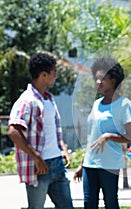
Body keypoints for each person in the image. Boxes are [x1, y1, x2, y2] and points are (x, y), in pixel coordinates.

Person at [7, 52, 74, 209]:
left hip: (57, 164)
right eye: (54, 73)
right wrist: (37, 157)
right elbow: (13, 131)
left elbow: (52, 130)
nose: (56, 76)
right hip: (39, 168)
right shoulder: (27, 101)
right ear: (44, 75)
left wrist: (62, 148)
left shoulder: (48, 99)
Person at [73, 57, 131, 209]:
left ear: (113, 80)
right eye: (96, 79)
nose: (98, 82)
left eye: (102, 79)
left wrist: (108, 137)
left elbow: (130, 137)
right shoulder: (96, 104)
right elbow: (91, 138)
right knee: (89, 203)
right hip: (90, 164)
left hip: (110, 164)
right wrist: (82, 165)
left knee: (111, 203)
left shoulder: (124, 104)